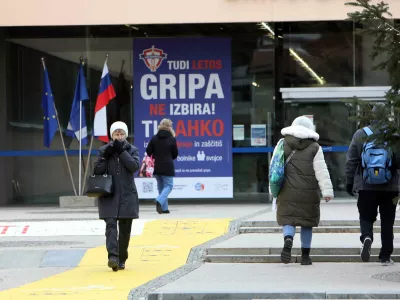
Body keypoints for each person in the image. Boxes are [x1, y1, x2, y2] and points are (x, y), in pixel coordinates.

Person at [272, 116, 334, 265]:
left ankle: (288, 239)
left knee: (288, 218)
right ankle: (305, 257)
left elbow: (274, 168)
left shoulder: (282, 143)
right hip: (309, 192)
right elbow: (321, 171)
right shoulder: (315, 147)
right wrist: (327, 191)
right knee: (307, 223)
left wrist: (272, 189)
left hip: (287, 190)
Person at [345, 112, 399, 266]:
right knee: (387, 221)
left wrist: (350, 182)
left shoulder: (360, 134)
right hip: (390, 187)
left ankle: (367, 237)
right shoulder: (394, 135)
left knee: (366, 216)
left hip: (365, 185)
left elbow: (351, 160)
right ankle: (385, 256)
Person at [93, 121, 140, 272]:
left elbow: (134, 166)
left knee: (125, 229)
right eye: (116, 134)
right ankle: (112, 257)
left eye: (121, 134)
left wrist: (121, 152)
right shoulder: (103, 150)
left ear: (125, 135)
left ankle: (122, 258)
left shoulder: (133, 149)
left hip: (127, 195)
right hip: (110, 195)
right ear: (111, 135)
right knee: (111, 226)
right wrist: (105, 157)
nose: (119, 137)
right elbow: (97, 171)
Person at [146, 118, 178, 214]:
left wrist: (156, 154)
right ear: (169, 127)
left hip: (157, 166)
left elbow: (148, 151)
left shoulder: (154, 138)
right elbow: (175, 154)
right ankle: (159, 200)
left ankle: (164, 209)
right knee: (169, 185)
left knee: (161, 187)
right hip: (168, 166)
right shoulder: (172, 139)